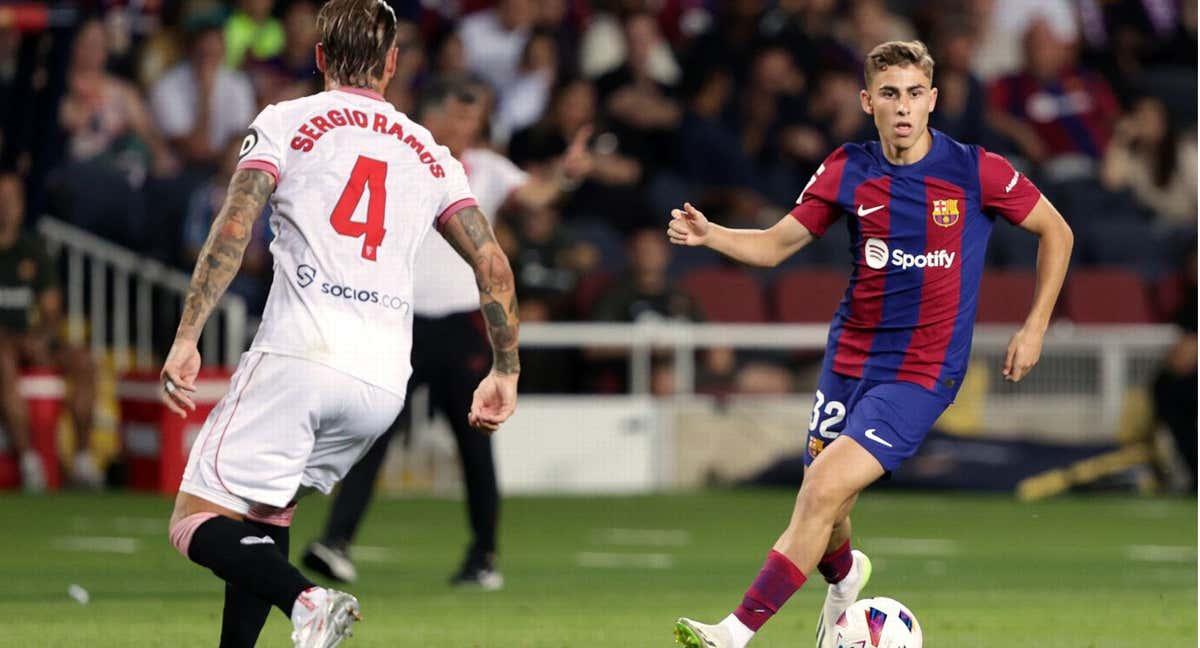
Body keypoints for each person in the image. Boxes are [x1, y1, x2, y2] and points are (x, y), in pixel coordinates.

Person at [669, 41, 1073, 648]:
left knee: (823, 489)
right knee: (825, 501)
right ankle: (845, 575)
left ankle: (734, 632)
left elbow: (1056, 230)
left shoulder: (974, 169)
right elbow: (776, 246)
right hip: (850, 360)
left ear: (933, 100)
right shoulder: (847, 169)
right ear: (867, 102)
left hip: (922, 371)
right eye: (890, 94)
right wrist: (711, 235)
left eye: (915, 94)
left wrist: (1035, 325)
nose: (903, 107)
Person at [158, 3, 520, 647]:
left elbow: (233, 228)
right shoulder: (430, 153)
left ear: (320, 57)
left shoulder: (286, 122)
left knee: (194, 521)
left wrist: (188, 334)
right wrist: (505, 369)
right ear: (392, 65)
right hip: (382, 382)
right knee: (265, 511)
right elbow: (492, 263)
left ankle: (308, 598)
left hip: (301, 354)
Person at [302, 75, 587, 589]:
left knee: (474, 443)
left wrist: (565, 177)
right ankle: (335, 542)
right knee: (372, 432)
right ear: (430, 115)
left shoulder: (487, 169)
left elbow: (535, 195)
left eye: (473, 119)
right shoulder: (401, 155)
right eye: (457, 115)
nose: (465, 127)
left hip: (461, 324)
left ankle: (484, 555)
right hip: (399, 319)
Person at [0, 172, 100, 491]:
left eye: (11, 201)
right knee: (2, 357)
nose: (5, 208)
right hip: (4, 343)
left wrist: (40, 338)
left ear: (21, 205)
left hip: (31, 338)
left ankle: (83, 459)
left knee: (84, 360)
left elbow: (52, 310)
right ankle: (30, 460)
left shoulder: (33, 251)